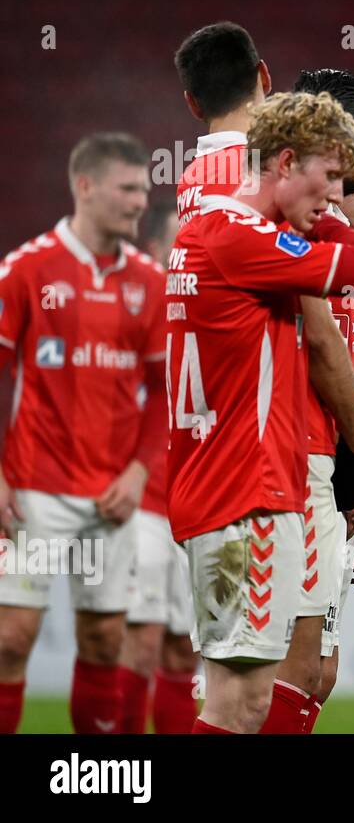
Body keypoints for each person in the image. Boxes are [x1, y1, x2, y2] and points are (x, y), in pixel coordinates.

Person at [173, 24, 354, 731]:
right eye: (338, 165)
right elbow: (327, 330)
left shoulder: (197, 187)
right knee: (261, 689)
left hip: (236, 459)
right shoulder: (244, 209)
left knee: (263, 685)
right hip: (269, 465)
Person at [0, 133, 165, 734]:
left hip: (111, 497)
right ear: (85, 187)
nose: (139, 202)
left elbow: (163, 393)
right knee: (12, 638)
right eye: (127, 188)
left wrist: (138, 471)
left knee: (103, 640)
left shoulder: (148, 283)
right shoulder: (26, 271)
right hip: (34, 488)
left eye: (144, 189)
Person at [283, 66, 354, 732]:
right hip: (288, 468)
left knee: (314, 674)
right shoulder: (297, 232)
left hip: (322, 475)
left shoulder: (333, 243)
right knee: (274, 674)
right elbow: (323, 359)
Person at [118, 202, 200, 734]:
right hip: (141, 501)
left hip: (198, 504)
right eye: (178, 244)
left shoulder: (217, 313)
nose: (187, 255)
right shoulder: (131, 316)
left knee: (180, 651)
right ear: (154, 252)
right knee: (139, 641)